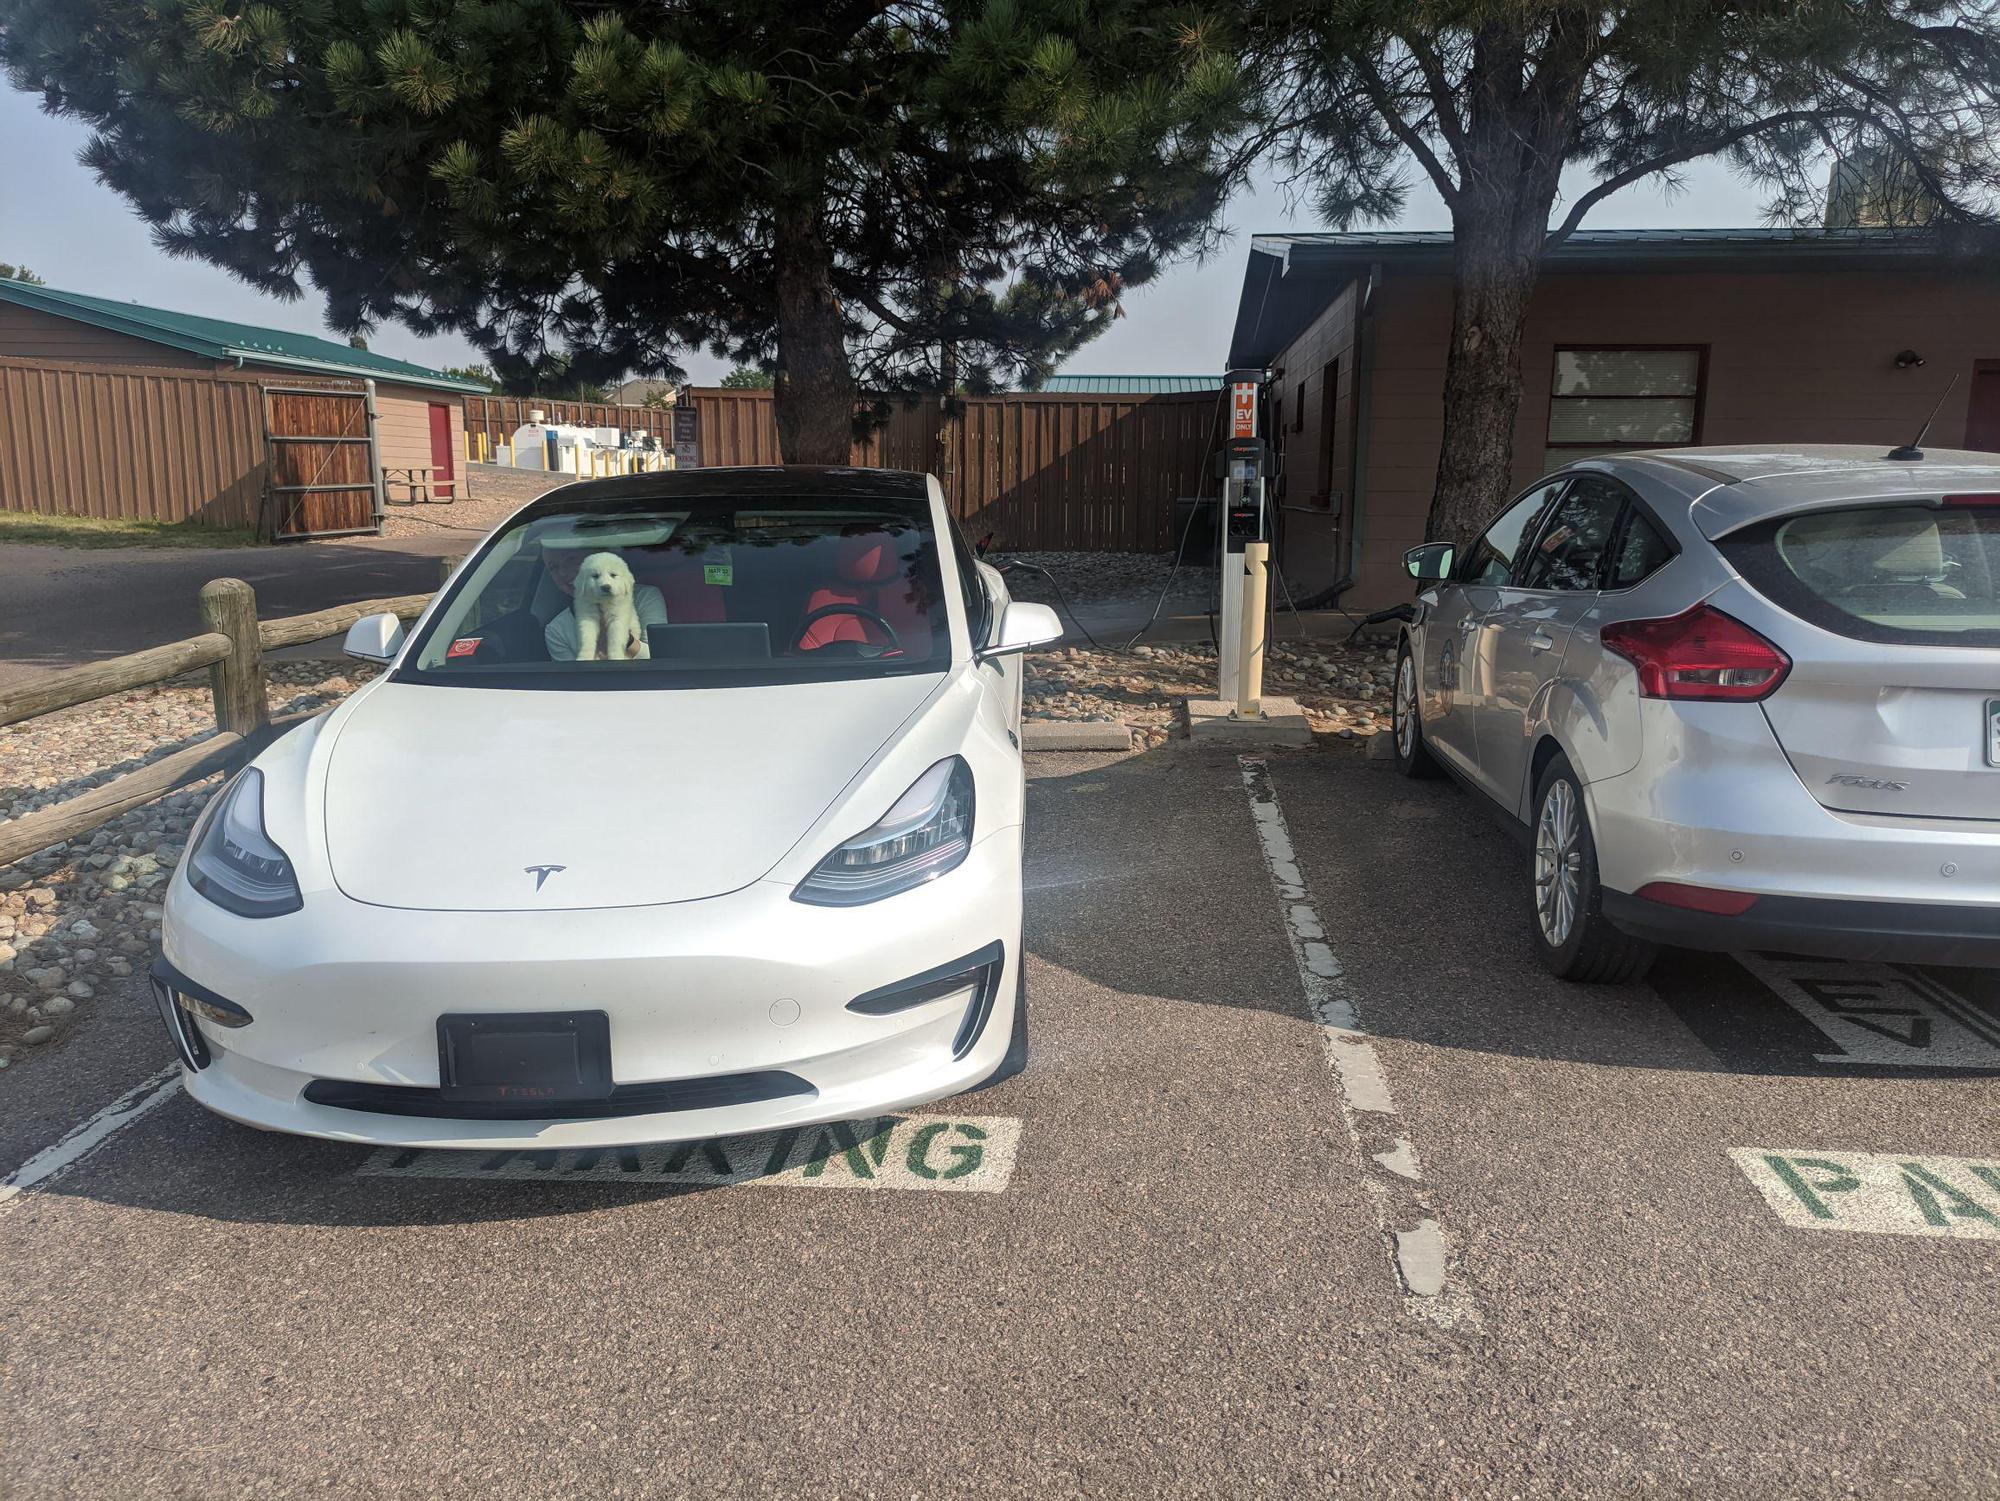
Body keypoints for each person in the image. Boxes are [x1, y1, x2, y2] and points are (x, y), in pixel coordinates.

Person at [542, 544, 669, 661]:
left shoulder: (645, 598)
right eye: (553, 567)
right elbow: (571, 680)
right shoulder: (556, 630)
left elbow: (660, 660)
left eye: (571, 559)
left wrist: (624, 639)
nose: (563, 572)